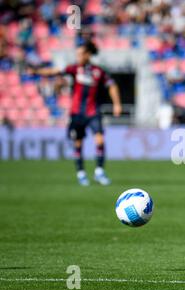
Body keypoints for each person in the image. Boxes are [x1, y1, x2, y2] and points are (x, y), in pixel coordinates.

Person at [29, 41, 122, 186]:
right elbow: (55, 71)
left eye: (80, 53)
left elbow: (112, 86)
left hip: (93, 112)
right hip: (77, 113)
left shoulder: (98, 71)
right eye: (77, 53)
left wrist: (117, 104)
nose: (77, 56)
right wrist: (37, 72)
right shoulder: (74, 69)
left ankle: (99, 172)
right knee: (78, 144)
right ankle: (81, 174)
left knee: (100, 140)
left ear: (88, 55)